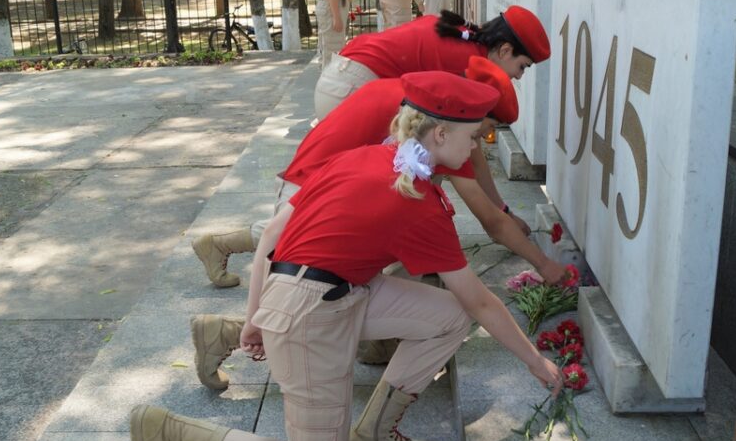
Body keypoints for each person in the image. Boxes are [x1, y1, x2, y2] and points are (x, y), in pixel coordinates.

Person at [130, 73, 564, 441]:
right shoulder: (418, 200)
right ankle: (167, 432)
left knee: (449, 317)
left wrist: (253, 314)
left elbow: (270, 239)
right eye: (473, 136)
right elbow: (481, 301)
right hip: (309, 318)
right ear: (441, 132)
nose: (477, 147)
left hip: (326, 294)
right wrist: (535, 361)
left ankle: (374, 436)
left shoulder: (361, 157)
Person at [190, 56, 567, 389]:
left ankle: (252, 328)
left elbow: (486, 201)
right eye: (480, 133)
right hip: (317, 183)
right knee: (328, 286)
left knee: (356, 266)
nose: (479, 144)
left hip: (336, 176)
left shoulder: (428, 116)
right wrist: (544, 265)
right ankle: (228, 325)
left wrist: (505, 211)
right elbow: (486, 235)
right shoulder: (441, 142)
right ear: (455, 122)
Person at [313, 4, 550, 118]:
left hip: (339, 79)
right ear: (505, 50)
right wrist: (499, 213)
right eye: (522, 67)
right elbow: (459, 152)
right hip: (352, 87)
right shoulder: (469, 64)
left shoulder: (465, 39)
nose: (518, 76)